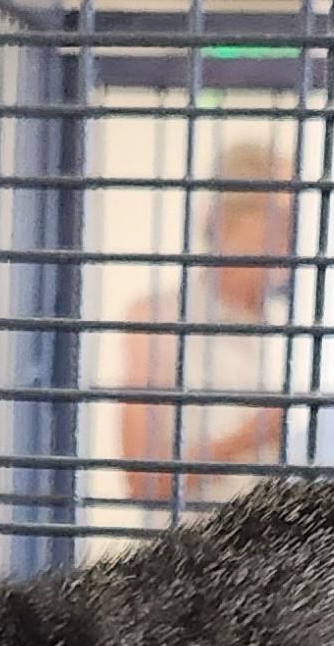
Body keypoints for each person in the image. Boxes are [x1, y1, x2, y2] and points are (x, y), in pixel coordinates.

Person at [120, 144, 296, 507]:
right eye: (279, 219)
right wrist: (247, 439)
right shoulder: (158, 320)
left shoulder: (295, 334)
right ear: (224, 221)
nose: (291, 237)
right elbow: (143, 483)